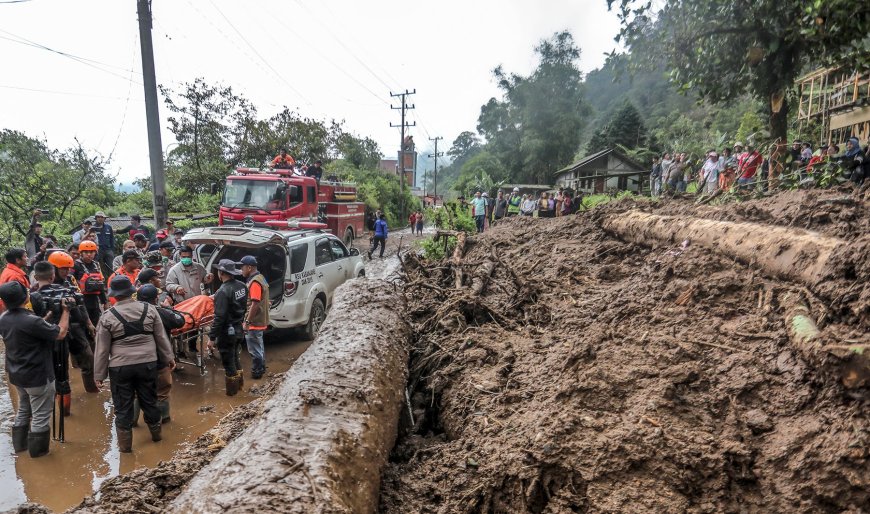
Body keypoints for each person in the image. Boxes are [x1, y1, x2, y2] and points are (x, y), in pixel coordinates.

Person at [94, 276, 175, 453]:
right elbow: (161, 337)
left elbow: (102, 349)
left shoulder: (107, 317)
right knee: (149, 400)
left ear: (114, 295)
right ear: (132, 292)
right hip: (148, 364)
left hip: (120, 367)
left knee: (123, 406)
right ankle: (156, 437)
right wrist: (169, 358)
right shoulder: (150, 309)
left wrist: (99, 375)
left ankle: (125, 450)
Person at [0, 280, 70, 458]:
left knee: (23, 410)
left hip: (17, 375)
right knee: (40, 416)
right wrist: (66, 311)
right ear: (26, 297)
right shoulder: (31, 322)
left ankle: (20, 449)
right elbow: (60, 333)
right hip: (37, 376)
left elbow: (26, 328)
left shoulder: (4, 318)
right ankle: (39, 456)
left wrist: (44, 319)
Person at [44, 253, 99, 393]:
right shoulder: (45, 285)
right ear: (54, 269)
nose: (67, 271)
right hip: (56, 329)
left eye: (68, 268)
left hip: (75, 326)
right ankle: (62, 393)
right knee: (60, 363)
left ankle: (91, 389)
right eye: (63, 269)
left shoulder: (70, 280)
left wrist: (88, 323)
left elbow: (81, 303)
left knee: (88, 357)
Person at [136, 284, 184, 423]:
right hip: (159, 359)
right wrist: (167, 307)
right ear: (156, 298)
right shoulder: (160, 312)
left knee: (136, 393)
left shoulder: (128, 312)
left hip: (135, 361)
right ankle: (164, 422)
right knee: (162, 392)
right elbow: (180, 321)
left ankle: (132, 424)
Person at [208, 260, 247, 396]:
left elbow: (219, 318)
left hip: (227, 332)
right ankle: (240, 386)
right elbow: (243, 307)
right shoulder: (242, 286)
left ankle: (232, 394)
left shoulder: (222, 292)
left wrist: (211, 338)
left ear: (222, 273)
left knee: (228, 361)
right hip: (238, 329)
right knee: (235, 357)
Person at [240, 256, 269, 379]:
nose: (241, 270)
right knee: (259, 345)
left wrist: (247, 322)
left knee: (254, 349)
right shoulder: (260, 278)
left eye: (242, 267)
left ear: (249, 267)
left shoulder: (255, 282)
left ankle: (257, 372)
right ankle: (262, 367)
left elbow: (255, 303)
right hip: (261, 319)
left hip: (255, 321)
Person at [73, 241, 107, 327]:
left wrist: (105, 302)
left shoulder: (96, 265)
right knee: (84, 324)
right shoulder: (76, 265)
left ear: (95, 253)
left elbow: (100, 283)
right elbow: (71, 282)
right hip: (82, 300)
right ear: (81, 253)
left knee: (96, 322)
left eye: (92, 252)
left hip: (94, 299)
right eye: (86, 252)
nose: (89, 254)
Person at [0, 248, 30, 313]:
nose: (27, 258)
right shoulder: (15, 276)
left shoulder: (7, 270)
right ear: (18, 260)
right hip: (14, 312)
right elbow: (18, 299)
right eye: (25, 256)